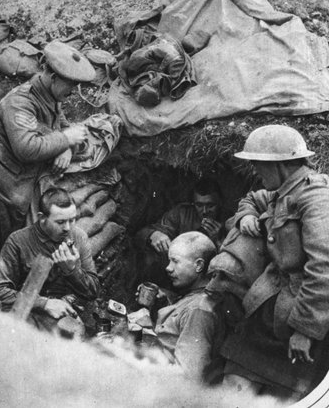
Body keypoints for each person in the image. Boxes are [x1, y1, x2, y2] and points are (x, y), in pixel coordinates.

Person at [0, 41, 96, 259]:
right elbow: (26, 148)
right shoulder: (20, 102)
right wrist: (65, 139)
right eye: (70, 84)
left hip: (9, 191)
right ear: (52, 76)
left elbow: (64, 127)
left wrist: (65, 148)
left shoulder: (51, 98)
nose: (74, 91)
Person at [219, 125, 329, 401]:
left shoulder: (316, 199)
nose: (256, 171)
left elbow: (324, 267)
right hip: (270, 308)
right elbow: (253, 199)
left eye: (259, 164)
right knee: (233, 381)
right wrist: (245, 215)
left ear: (279, 164)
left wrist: (305, 330)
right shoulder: (283, 190)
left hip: (301, 316)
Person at [0, 187, 99, 333]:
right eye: (60, 222)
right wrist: (44, 303)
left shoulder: (78, 237)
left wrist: (72, 271)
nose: (67, 228)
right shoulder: (18, 241)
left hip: (64, 315)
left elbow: (93, 291)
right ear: (42, 218)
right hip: (26, 312)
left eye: (72, 220)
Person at [135, 232, 225, 384]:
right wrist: (165, 301)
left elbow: (186, 378)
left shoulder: (199, 311)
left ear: (199, 265)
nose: (168, 268)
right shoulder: (198, 297)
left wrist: (146, 328)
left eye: (175, 261)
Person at [135, 179, 224, 287]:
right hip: (175, 278)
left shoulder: (228, 220)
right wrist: (154, 234)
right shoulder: (181, 213)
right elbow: (141, 233)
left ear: (220, 203)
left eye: (210, 205)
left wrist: (218, 240)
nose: (204, 211)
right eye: (199, 205)